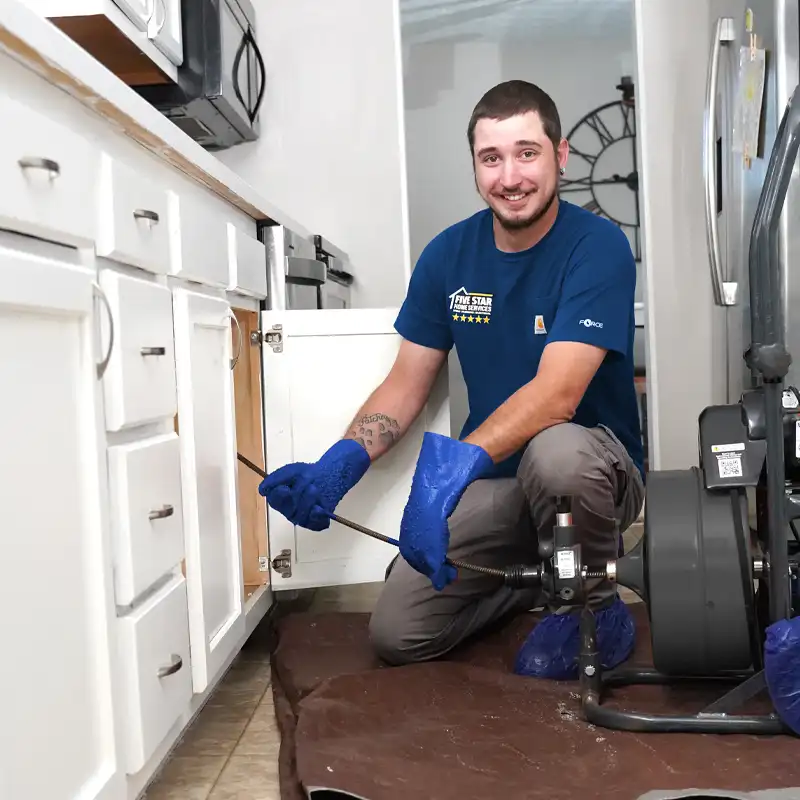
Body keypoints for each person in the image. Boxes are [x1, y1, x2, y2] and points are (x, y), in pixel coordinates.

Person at [259, 79, 645, 680]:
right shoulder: (448, 256)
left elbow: (558, 395)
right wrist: (338, 465)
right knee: (398, 632)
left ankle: (596, 609)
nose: (509, 177)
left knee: (556, 452)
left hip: (591, 471)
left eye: (526, 153)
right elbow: (406, 383)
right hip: (499, 476)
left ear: (560, 156)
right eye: (491, 158)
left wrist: (445, 476)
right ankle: (538, 579)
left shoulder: (597, 246)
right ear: (474, 166)